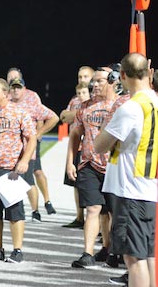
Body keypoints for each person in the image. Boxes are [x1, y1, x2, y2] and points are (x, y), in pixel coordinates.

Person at [95, 53, 157, 287]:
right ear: (147, 73)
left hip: (130, 189)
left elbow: (100, 145)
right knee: (147, 254)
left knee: (133, 258)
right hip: (148, 186)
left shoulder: (130, 108)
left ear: (122, 75)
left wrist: (104, 125)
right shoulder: (154, 100)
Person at [0, 78, 37, 263]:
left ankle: (18, 250)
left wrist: (25, 160)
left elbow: (32, 138)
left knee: (14, 212)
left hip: (10, 168)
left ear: (5, 93)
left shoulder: (18, 112)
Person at [66, 66, 117, 268]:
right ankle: (87, 252)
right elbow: (75, 134)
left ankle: (110, 250)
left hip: (114, 166)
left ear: (112, 82)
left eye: (100, 81)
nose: (94, 85)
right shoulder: (84, 107)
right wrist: (70, 161)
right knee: (93, 209)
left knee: (111, 212)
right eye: (93, 82)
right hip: (89, 163)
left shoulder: (119, 105)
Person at [8, 77, 59, 222]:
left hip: (27, 151)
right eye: (13, 87)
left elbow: (53, 118)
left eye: (18, 87)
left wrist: (39, 133)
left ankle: (35, 211)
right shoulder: (7, 104)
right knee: (12, 181)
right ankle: (15, 212)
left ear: (24, 89)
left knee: (28, 181)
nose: (16, 90)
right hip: (10, 152)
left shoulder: (31, 103)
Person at [61, 81, 91, 229]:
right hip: (75, 146)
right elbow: (64, 116)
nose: (81, 96)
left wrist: (74, 115)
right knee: (76, 184)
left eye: (84, 92)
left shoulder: (93, 103)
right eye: (79, 93)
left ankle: (93, 219)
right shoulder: (74, 101)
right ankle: (79, 217)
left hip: (88, 148)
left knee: (89, 184)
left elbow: (72, 116)